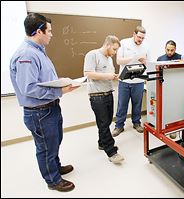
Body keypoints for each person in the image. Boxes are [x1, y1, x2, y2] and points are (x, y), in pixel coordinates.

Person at [9, 13, 78, 192]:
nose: (52, 35)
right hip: (39, 112)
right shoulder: (27, 54)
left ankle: (55, 168)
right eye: (49, 31)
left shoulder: (38, 50)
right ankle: (53, 180)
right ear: (39, 31)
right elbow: (29, 88)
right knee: (46, 148)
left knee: (54, 143)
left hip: (49, 108)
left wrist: (59, 82)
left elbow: (42, 79)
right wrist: (60, 90)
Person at [83, 35, 124, 164]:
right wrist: (108, 76)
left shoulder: (109, 59)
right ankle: (111, 151)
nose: (115, 52)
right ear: (108, 45)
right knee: (103, 123)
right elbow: (88, 73)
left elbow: (107, 76)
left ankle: (102, 143)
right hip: (97, 96)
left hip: (108, 94)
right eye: (114, 49)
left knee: (106, 122)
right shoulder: (92, 54)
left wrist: (114, 76)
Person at [112, 26, 149, 137]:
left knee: (137, 104)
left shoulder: (146, 46)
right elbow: (118, 61)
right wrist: (132, 57)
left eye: (142, 38)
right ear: (134, 34)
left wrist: (144, 61)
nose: (140, 40)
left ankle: (136, 123)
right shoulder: (124, 43)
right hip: (125, 80)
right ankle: (119, 126)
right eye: (139, 37)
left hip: (139, 80)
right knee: (122, 104)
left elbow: (148, 63)